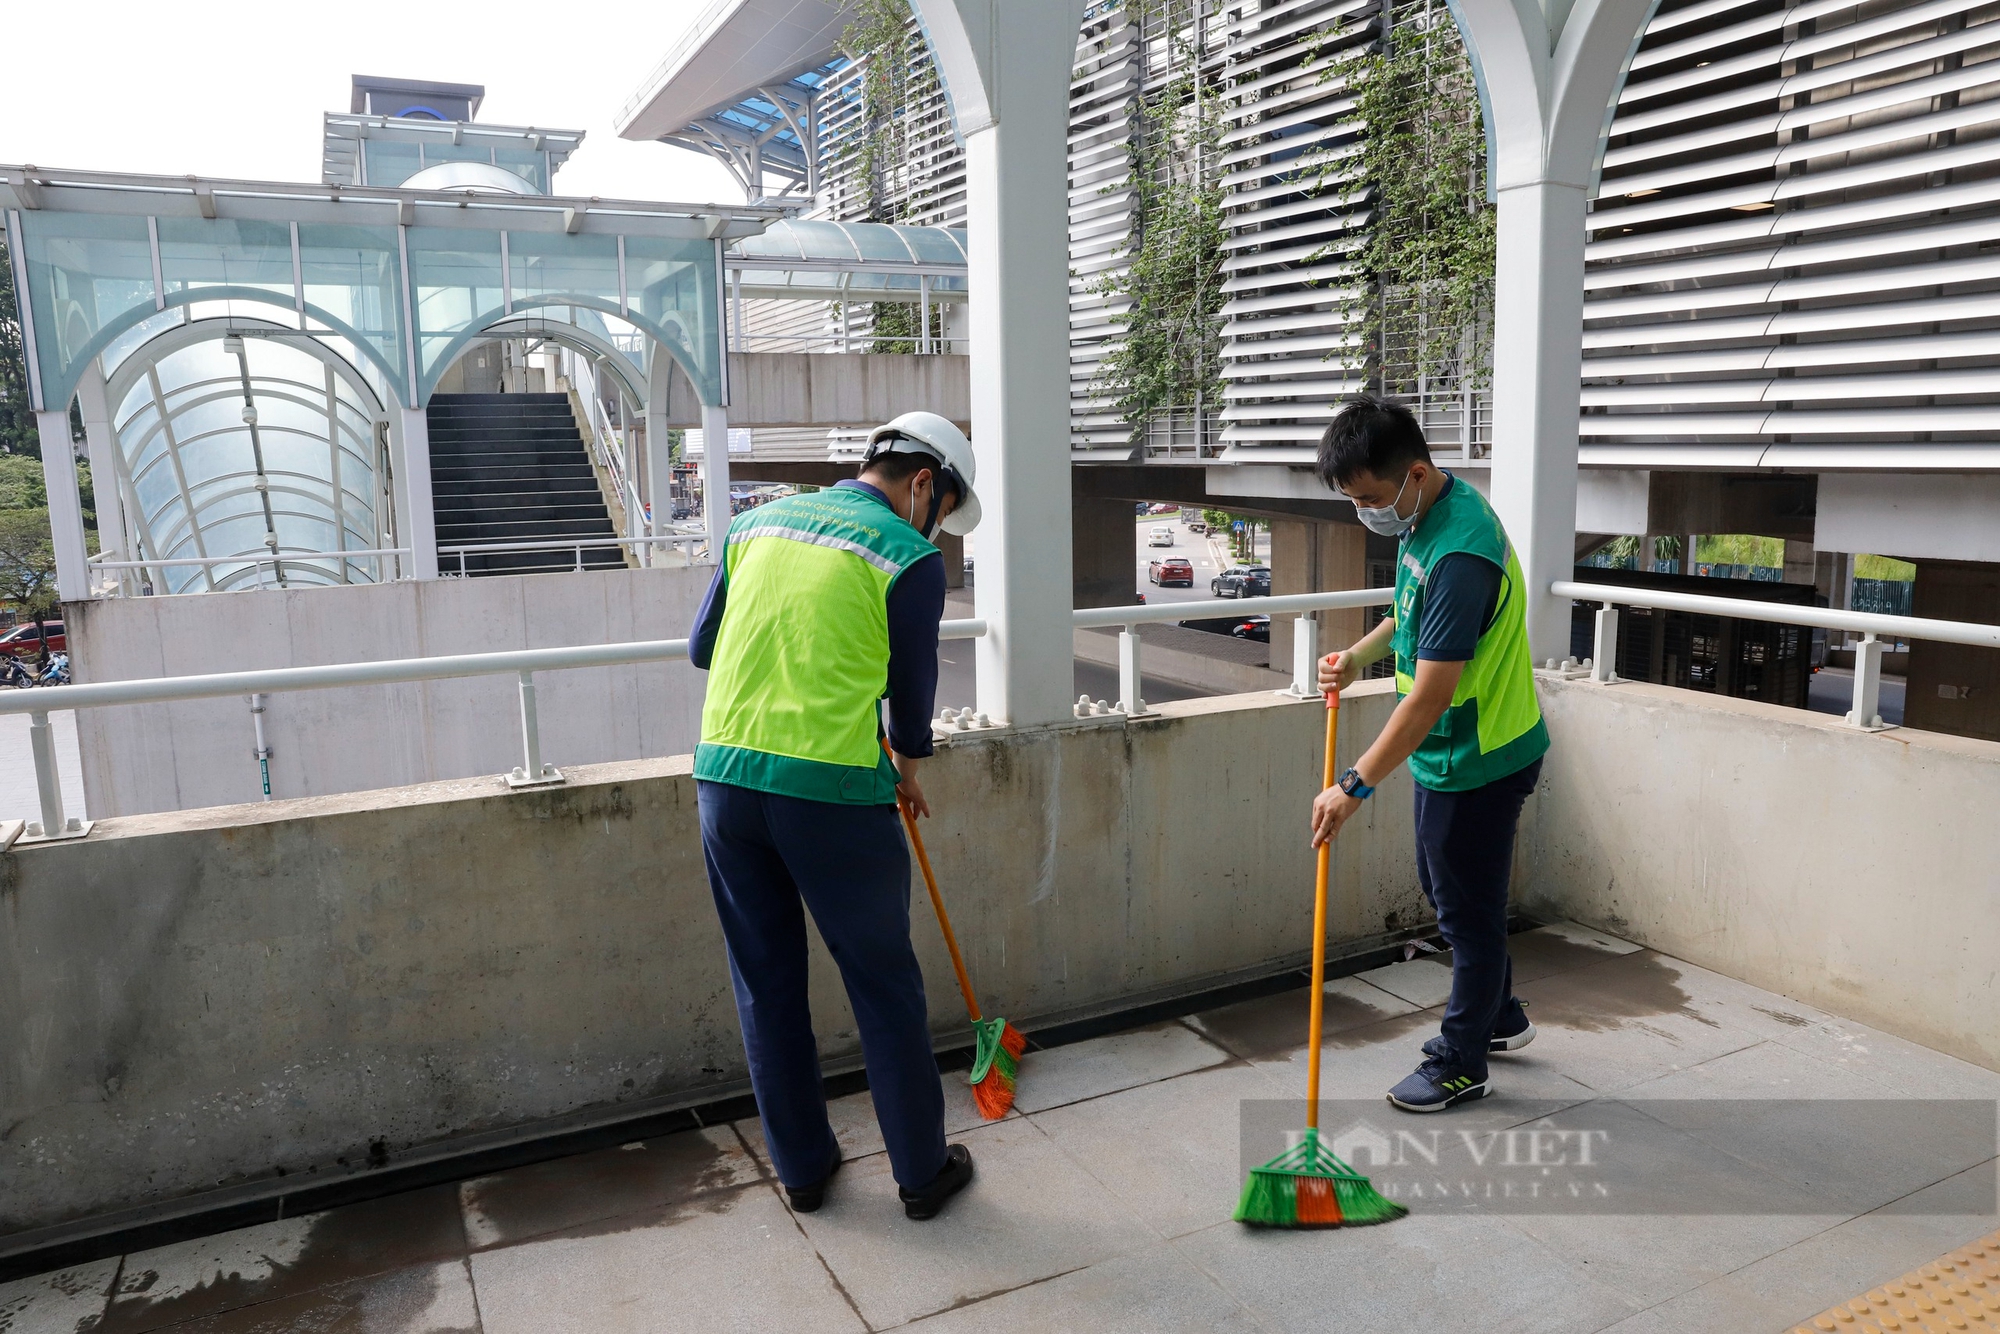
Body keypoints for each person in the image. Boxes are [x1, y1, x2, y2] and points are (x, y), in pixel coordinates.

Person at [688, 410, 983, 1218]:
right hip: (832, 800)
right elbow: (913, 708)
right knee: (883, 986)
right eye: (945, 512)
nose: (940, 530)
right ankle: (921, 1175)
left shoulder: (755, 524)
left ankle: (804, 1170)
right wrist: (905, 767)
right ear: (924, 484)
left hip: (724, 782)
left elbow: (703, 646)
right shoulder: (909, 557)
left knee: (767, 983)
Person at [1310, 395, 1550, 1113]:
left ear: (1414, 472)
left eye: (1372, 498)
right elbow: (1408, 612)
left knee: (1467, 914)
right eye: (1355, 500)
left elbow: (1429, 697)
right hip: (1452, 753)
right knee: (1451, 892)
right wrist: (1359, 654)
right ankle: (1499, 1014)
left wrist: (1353, 784)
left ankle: (1460, 1060)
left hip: (1480, 756)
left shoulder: (1460, 552)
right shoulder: (1428, 517)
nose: (1366, 512)